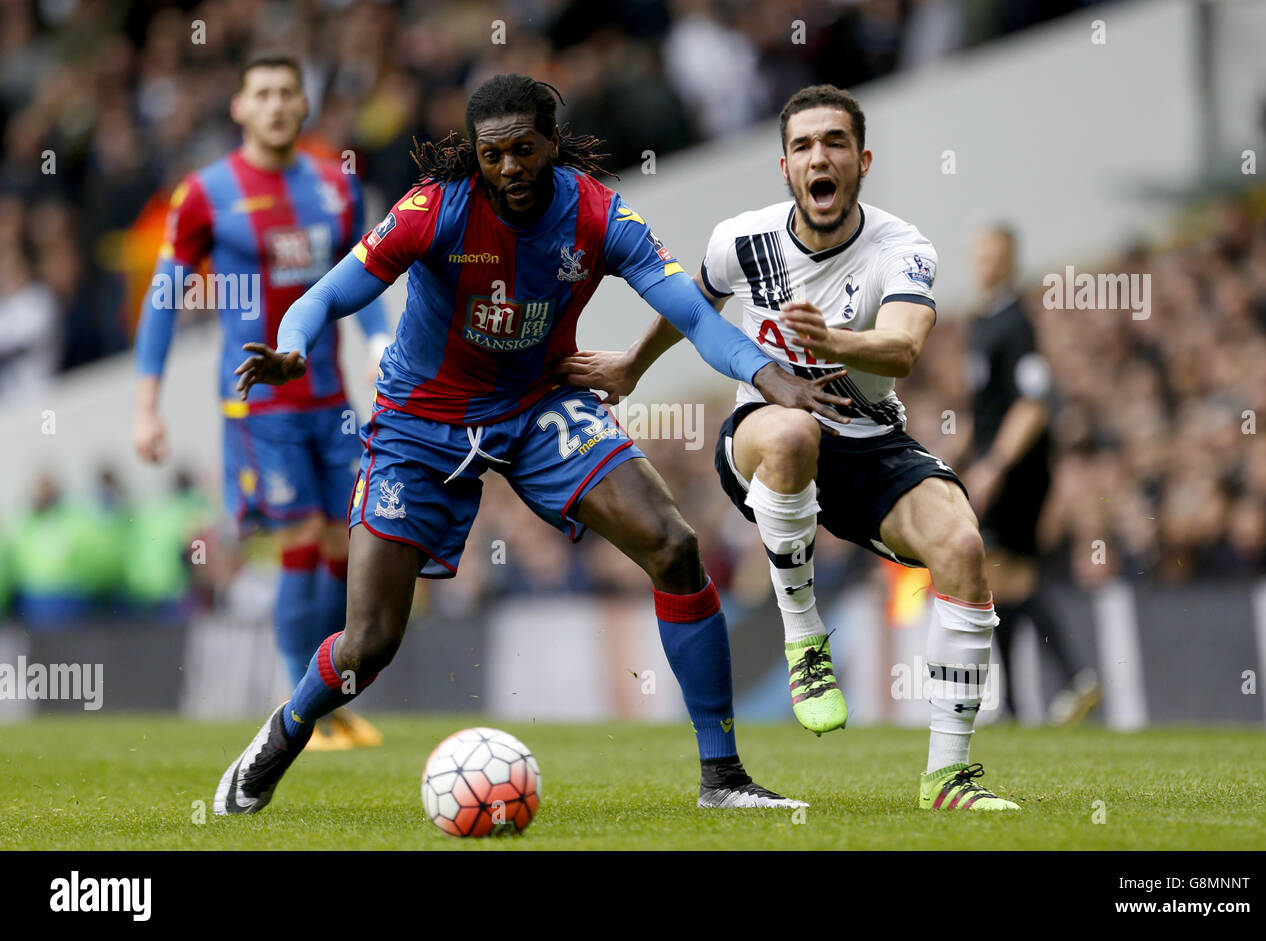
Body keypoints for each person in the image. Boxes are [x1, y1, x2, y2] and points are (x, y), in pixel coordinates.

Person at [214, 74, 844, 816]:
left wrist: (776, 379)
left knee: (673, 543)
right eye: (493, 154)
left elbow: (699, 319)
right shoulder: (433, 210)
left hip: (538, 405)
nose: (509, 167)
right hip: (421, 421)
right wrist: (292, 346)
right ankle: (282, 735)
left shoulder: (599, 217)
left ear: (551, 142)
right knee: (369, 642)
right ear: (475, 155)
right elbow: (326, 294)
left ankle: (723, 777)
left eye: (523, 149)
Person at [561, 84, 1021, 809]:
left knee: (963, 548)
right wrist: (629, 367)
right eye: (804, 145)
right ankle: (805, 639)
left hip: (872, 442)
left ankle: (949, 777)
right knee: (794, 428)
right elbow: (693, 304)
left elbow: (902, 348)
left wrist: (832, 339)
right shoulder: (741, 239)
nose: (820, 157)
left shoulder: (903, 249)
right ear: (785, 167)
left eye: (835, 142)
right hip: (766, 436)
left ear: (861, 160)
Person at [134, 53, 389, 750]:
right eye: (263, 93)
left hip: (331, 398)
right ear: (239, 108)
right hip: (257, 404)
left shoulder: (337, 188)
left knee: (347, 542)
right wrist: (146, 403)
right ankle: (297, 706)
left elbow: (360, 283)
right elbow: (163, 300)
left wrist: (378, 344)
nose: (277, 104)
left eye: (288, 92)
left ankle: (327, 701)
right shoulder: (205, 193)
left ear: (303, 107)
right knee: (302, 538)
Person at [963, 224, 1098, 724]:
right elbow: (992, 406)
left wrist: (995, 465)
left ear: (1011, 259)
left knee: (1008, 576)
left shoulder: (1014, 323)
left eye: (994, 252)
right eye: (979, 251)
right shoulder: (984, 321)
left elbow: (1034, 404)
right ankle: (1025, 700)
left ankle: (1071, 679)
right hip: (1001, 463)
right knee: (1000, 581)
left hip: (1019, 469)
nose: (984, 261)